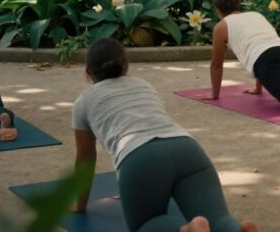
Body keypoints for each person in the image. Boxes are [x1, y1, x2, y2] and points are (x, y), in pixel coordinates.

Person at [73, 38, 257, 232]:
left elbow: (85, 159)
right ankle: (238, 228)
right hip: (187, 149)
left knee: (145, 223)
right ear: (125, 65)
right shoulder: (143, 85)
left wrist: (80, 205)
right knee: (218, 219)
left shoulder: (83, 102)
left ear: (88, 72)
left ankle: (187, 230)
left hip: (139, 158)